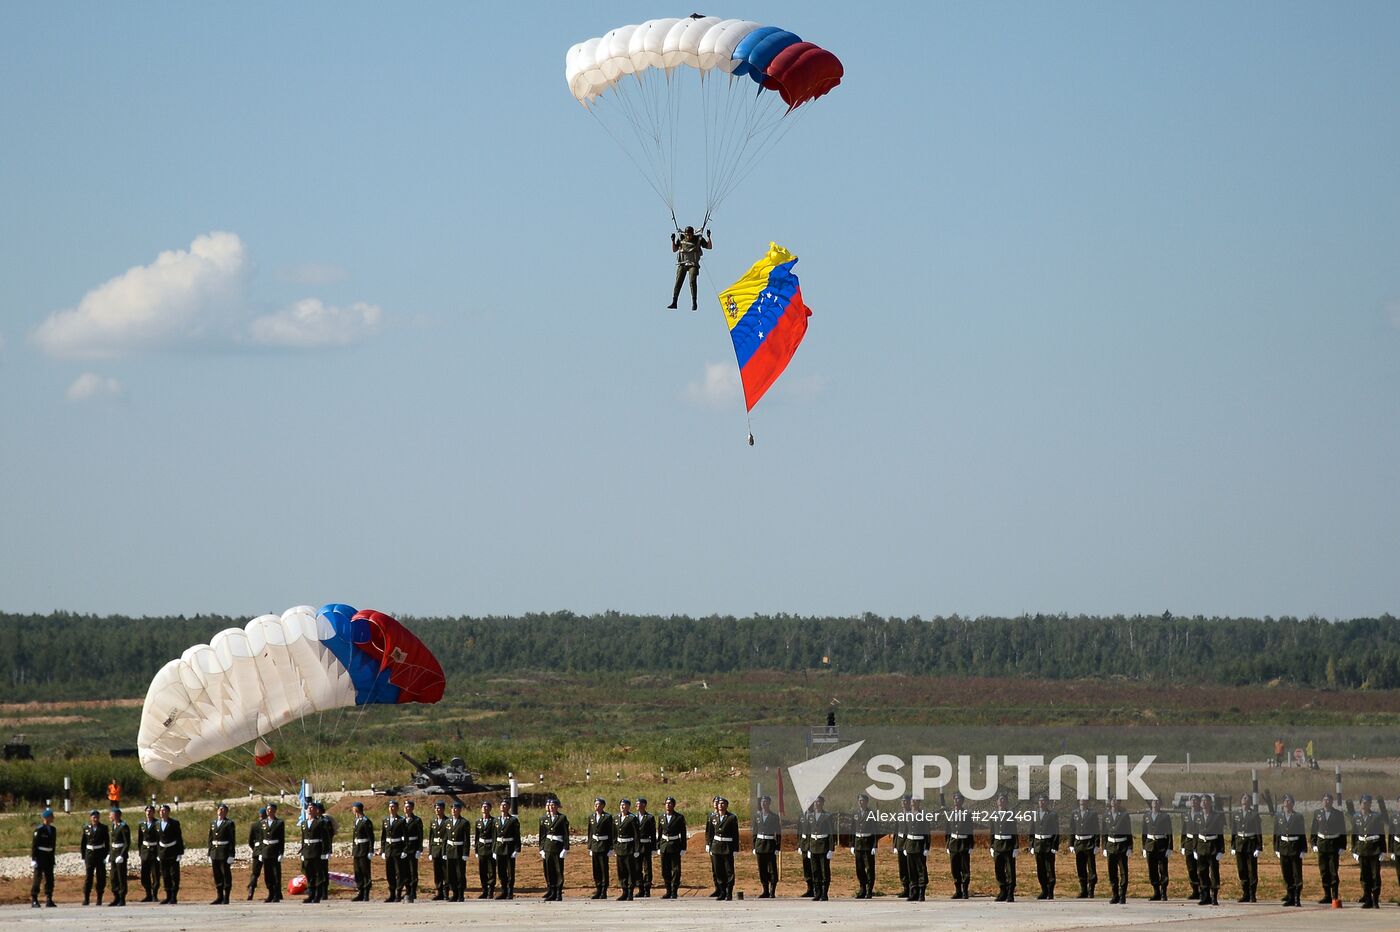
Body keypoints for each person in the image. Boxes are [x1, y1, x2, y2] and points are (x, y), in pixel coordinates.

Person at [1351, 793, 1386, 908]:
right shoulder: (1356, 817)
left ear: (1370, 804)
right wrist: (1354, 850)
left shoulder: (1376, 816)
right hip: (1362, 849)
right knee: (1364, 876)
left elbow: (1381, 834)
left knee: (1375, 875)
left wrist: (1383, 851)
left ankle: (1375, 900)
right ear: (1360, 804)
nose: (1365, 805)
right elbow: (1354, 835)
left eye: (1367, 803)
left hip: (1374, 849)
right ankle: (1368, 899)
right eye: (1363, 802)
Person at [667, 226, 713, 310]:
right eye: (687, 234)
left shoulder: (698, 239)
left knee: (692, 281)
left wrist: (709, 237)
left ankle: (694, 302)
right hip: (683, 264)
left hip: (693, 264)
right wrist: (673, 241)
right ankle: (674, 302)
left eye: (690, 235)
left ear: (692, 234)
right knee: (678, 281)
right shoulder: (681, 238)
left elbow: (709, 247)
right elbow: (674, 250)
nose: (688, 236)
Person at [1312, 792, 1346, 904]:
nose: (1326, 802)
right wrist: (1314, 844)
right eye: (1325, 800)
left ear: (1332, 802)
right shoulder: (1317, 813)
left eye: (1329, 800)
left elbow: (1342, 831)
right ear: (1322, 801)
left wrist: (1342, 846)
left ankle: (1334, 895)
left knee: (1333, 871)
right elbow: (1314, 829)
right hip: (1322, 844)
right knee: (1323, 871)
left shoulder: (1338, 814)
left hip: (1333, 845)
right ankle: (1326, 895)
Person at [1273, 793, 1306, 907]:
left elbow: (1302, 834)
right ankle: (1290, 896)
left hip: (1295, 847)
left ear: (1293, 804)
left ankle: (1297, 898)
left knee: (1297, 874)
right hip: (1283, 847)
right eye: (1286, 801)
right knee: (1286, 874)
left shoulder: (1298, 816)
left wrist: (1303, 849)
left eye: (1289, 801)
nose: (1287, 803)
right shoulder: (1279, 816)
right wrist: (1276, 848)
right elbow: (1276, 833)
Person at [990, 793, 1021, 903]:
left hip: (1008, 845)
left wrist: (1016, 847)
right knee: (999, 870)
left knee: (1010, 871)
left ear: (1006, 802)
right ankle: (1002, 891)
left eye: (1003, 799)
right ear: (997, 802)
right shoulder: (994, 815)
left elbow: (1015, 832)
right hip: (998, 845)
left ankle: (1010, 893)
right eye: (999, 799)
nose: (1001, 801)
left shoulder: (1010, 815)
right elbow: (992, 832)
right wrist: (991, 846)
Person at [1231, 792, 1262, 902]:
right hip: (1239, 844)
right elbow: (1234, 831)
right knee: (1242, 870)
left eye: (1247, 798)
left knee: (1252, 870)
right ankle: (1245, 893)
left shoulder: (1254, 814)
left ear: (1249, 802)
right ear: (1241, 801)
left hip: (1250, 844)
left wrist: (1259, 847)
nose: (1245, 800)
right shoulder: (1237, 814)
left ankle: (1252, 894)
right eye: (1243, 798)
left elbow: (1258, 831)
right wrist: (1233, 846)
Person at [1194, 794, 1225, 905]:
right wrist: (1194, 848)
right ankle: (1205, 896)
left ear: (1210, 803)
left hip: (1213, 846)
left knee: (1214, 872)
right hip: (1201, 845)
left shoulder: (1217, 816)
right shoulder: (1198, 816)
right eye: (1202, 800)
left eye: (1206, 800)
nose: (1204, 802)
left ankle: (1214, 896)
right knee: (1202, 872)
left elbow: (1220, 834)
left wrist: (1221, 850)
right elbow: (1195, 833)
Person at [1141, 796, 1172, 901]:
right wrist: (1144, 847)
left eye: (1158, 801)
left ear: (1160, 804)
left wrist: (1169, 847)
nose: (1155, 803)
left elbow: (1169, 833)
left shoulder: (1165, 816)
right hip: (1150, 845)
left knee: (1163, 869)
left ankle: (1163, 891)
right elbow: (1144, 833)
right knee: (1152, 869)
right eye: (1154, 801)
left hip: (1161, 845)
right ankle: (1156, 892)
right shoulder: (1146, 816)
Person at [301, 800, 333, 903]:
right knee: (309, 874)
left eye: (312, 808)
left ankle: (318, 895)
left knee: (318, 874)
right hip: (307, 851)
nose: (310, 810)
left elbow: (325, 838)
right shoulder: (304, 823)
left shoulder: (321, 822)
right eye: (308, 808)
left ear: (316, 810)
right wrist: (302, 852)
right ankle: (311, 894)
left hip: (317, 850)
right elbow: (303, 838)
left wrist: (326, 852)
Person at [709, 796, 740, 900]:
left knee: (729, 871)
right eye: (719, 804)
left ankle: (729, 892)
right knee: (718, 871)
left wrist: (735, 848)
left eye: (723, 804)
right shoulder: (713, 817)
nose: (720, 806)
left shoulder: (731, 817)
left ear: (727, 806)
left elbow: (735, 834)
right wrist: (710, 846)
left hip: (727, 847)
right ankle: (722, 892)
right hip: (716, 846)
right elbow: (710, 833)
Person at [1102, 797, 1132, 905]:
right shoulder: (1106, 816)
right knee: (1112, 872)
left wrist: (1129, 847)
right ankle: (1115, 895)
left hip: (1122, 845)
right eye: (1112, 800)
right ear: (1110, 803)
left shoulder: (1124, 815)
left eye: (1116, 801)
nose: (1114, 802)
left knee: (1123, 872)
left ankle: (1122, 895)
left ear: (1119, 803)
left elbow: (1129, 831)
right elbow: (1104, 833)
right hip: (1110, 846)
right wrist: (1104, 847)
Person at [539, 797, 569, 901]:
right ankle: (551, 891)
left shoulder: (562, 818)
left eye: (553, 806)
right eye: (550, 806)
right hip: (548, 846)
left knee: (558, 870)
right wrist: (541, 848)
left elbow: (566, 834)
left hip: (558, 847)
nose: (551, 808)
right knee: (549, 870)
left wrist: (565, 848)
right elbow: (542, 835)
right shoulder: (544, 819)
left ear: (557, 807)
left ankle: (558, 892)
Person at [1031, 794, 1060, 900]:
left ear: (1047, 802)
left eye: (1043, 801)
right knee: (1040, 869)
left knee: (1050, 869)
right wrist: (1032, 845)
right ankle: (1044, 890)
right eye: (1040, 801)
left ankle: (1050, 891)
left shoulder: (1052, 815)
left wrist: (1054, 846)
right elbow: (1032, 830)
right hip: (1038, 844)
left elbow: (1056, 831)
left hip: (1048, 845)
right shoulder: (1035, 814)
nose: (1041, 803)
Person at [656, 796, 687, 899]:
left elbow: (683, 833)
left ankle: (674, 891)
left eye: (670, 803)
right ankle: (668, 890)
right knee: (665, 870)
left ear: (674, 805)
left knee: (676, 870)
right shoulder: (661, 817)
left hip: (675, 845)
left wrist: (683, 847)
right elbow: (659, 832)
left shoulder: (679, 817)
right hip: (664, 845)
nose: (668, 805)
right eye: (666, 803)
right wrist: (658, 846)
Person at [851, 792, 880, 899]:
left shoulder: (871, 813)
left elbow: (875, 830)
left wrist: (874, 845)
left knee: (869, 868)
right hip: (858, 843)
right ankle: (862, 888)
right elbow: (852, 829)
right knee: (859, 868)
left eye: (862, 800)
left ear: (867, 802)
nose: (860, 802)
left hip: (868, 843)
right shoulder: (855, 813)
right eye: (859, 800)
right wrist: (852, 844)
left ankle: (869, 890)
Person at [945, 791, 973, 899]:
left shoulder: (967, 814)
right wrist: (947, 844)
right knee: (954, 868)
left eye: (959, 799)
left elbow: (970, 831)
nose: (957, 801)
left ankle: (965, 890)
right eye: (955, 799)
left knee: (965, 868)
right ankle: (958, 890)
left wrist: (970, 845)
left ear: (962, 801)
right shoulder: (950, 814)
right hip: (953, 843)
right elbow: (947, 832)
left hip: (963, 843)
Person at [1069, 795, 1099, 899]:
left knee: (1091, 867)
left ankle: (1091, 889)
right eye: (1081, 800)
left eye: (1085, 800)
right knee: (1080, 868)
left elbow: (1096, 829)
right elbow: (1072, 829)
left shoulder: (1092, 814)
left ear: (1088, 802)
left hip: (1089, 843)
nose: (1083, 802)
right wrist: (1071, 844)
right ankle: (1083, 890)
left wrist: (1096, 844)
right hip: (1078, 843)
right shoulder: (1075, 813)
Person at [586, 796, 616, 899]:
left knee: (604, 869)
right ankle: (598, 889)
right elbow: (590, 832)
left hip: (604, 846)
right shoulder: (591, 817)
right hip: (595, 845)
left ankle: (604, 890)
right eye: (595, 804)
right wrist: (589, 846)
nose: (597, 806)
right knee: (596, 869)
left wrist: (611, 848)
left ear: (603, 806)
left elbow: (612, 833)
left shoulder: (607, 817)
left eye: (599, 804)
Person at [902, 796, 930, 901]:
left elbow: (927, 833)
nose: (913, 802)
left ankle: (921, 893)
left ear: (919, 802)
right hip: (910, 845)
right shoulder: (908, 815)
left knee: (921, 870)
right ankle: (913, 892)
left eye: (915, 800)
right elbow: (905, 831)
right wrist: (904, 846)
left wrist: (926, 847)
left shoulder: (923, 815)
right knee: (911, 870)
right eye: (912, 800)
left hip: (919, 845)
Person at [753, 794, 781, 898]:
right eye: (762, 802)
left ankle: (772, 890)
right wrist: (754, 846)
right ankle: (765, 890)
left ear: (769, 803)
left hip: (770, 845)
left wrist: (777, 847)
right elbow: (755, 832)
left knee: (772, 869)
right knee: (762, 869)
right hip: (760, 844)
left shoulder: (774, 816)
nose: (764, 804)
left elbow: (778, 833)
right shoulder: (757, 816)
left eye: (766, 802)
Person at [207, 802, 235, 905]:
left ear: (226, 812)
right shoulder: (213, 823)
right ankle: (219, 896)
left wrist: (231, 854)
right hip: (215, 851)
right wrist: (209, 853)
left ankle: (226, 897)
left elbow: (232, 840)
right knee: (217, 874)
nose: (221, 811)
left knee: (225, 874)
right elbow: (210, 839)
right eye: (219, 809)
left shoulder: (229, 823)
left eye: (223, 810)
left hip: (224, 852)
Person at [81, 808, 110, 906]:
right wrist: (83, 856)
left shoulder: (103, 828)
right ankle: (86, 898)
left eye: (97, 817)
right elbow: (83, 843)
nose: (95, 819)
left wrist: (107, 855)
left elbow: (107, 843)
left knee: (100, 877)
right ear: (90, 818)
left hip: (100, 853)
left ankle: (99, 898)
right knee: (88, 877)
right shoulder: (86, 828)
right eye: (93, 817)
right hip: (89, 854)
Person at [156, 803, 184, 904]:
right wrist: (158, 853)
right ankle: (167, 895)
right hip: (163, 852)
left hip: (172, 851)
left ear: (168, 812)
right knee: (165, 874)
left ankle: (173, 896)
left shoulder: (174, 823)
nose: (162, 813)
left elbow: (179, 838)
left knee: (174, 874)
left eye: (164, 811)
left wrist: (180, 853)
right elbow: (157, 839)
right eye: (160, 811)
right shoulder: (157, 824)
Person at [493, 798, 521, 899]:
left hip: (509, 847)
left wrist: (517, 849)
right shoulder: (496, 820)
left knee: (510, 871)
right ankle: (503, 890)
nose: (502, 807)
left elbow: (517, 836)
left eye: (505, 805)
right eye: (501, 805)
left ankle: (510, 891)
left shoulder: (513, 820)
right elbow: (494, 836)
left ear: (509, 807)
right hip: (499, 847)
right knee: (501, 871)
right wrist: (494, 850)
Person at [30, 807, 57, 908]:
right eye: (51, 816)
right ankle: (34, 898)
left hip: (49, 856)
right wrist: (33, 859)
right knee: (38, 878)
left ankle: (49, 898)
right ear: (47, 818)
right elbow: (34, 845)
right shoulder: (39, 829)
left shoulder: (53, 830)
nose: (53, 818)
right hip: (40, 856)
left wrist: (53, 858)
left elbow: (53, 845)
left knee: (50, 878)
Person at [615, 798, 640, 900]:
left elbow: (636, 835)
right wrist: (614, 847)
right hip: (620, 847)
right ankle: (624, 891)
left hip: (629, 847)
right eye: (621, 804)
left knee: (630, 871)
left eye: (624, 805)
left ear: (628, 807)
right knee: (621, 871)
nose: (622, 806)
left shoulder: (632, 818)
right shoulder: (616, 818)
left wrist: (636, 849)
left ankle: (630, 892)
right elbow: (614, 834)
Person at [350, 801, 375, 902]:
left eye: (353, 808)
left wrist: (370, 850)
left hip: (364, 849)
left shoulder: (366, 821)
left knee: (365, 871)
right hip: (357, 849)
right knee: (358, 871)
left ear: (357, 809)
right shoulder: (355, 820)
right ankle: (360, 891)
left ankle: (366, 893)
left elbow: (371, 837)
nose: (352, 810)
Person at [137, 805, 161, 903]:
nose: (148, 813)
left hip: (154, 850)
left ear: (153, 813)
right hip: (145, 852)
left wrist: (159, 852)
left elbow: (160, 838)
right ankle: (148, 894)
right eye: (147, 811)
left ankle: (154, 894)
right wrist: (140, 852)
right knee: (144, 875)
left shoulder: (157, 823)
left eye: (150, 811)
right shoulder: (142, 824)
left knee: (155, 874)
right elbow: (140, 839)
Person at [108, 807, 131, 907]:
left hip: (120, 854)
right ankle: (116, 896)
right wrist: (109, 853)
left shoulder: (123, 826)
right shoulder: (113, 825)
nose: (109, 816)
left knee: (121, 877)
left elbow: (127, 843)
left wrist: (122, 855)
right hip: (114, 853)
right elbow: (112, 841)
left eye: (111, 814)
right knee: (113, 877)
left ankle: (122, 898)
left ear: (116, 815)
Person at [474, 800, 498, 899]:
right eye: (483, 807)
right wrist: (476, 850)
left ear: (490, 809)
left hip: (490, 847)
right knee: (482, 871)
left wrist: (494, 849)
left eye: (487, 807)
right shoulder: (478, 822)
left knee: (491, 870)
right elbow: (476, 836)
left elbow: (495, 836)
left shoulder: (493, 821)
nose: (485, 808)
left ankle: (490, 891)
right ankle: (484, 890)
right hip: (481, 848)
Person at [262, 803, 285, 903]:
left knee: (276, 874)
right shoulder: (262, 823)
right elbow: (260, 838)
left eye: (271, 809)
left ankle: (276, 894)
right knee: (267, 874)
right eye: (267, 809)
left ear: (275, 811)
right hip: (265, 851)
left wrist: (281, 853)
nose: (269, 811)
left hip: (275, 850)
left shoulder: (279, 823)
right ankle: (270, 893)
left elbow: (281, 839)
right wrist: (259, 852)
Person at [446, 800, 469, 901]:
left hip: (459, 850)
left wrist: (465, 853)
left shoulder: (464, 822)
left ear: (460, 810)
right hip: (450, 850)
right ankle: (454, 893)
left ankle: (460, 894)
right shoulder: (447, 822)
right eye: (452, 808)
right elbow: (445, 839)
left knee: (460, 873)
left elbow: (466, 839)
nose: (453, 810)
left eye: (455, 808)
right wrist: (444, 852)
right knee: (451, 873)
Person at [1181, 794, 1202, 900]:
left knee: (1201, 868)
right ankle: (1195, 890)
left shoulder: (1203, 814)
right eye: (1192, 801)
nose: (1193, 802)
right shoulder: (1186, 815)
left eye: (1195, 800)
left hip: (1200, 842)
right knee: (1191, 868)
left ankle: (1203, 889)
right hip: (1189, 842)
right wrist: (1183, 845)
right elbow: (1184, 830)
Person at [402, 799, 423, 902]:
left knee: (412, 871)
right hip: (404, 849)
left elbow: (420, 835)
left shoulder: (417, 820)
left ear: (412, 808)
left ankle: (413, 892)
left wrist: (419, 849)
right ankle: (407, 890)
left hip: (413, 848)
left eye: (409, 807)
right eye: (405, 807)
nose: (407, 809)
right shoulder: (401, 820)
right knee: (405, 871)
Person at [635, 797, 657, 897]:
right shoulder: (633, 817)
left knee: (647, 868)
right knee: (637, 868)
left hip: (646, 845)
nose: (636, 805)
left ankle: (647, 889)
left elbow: (653, 833)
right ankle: (640, 889)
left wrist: (654, 847)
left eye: (638, 803)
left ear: (644, 805)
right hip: (637, 846)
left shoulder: (649, 817)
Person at [428, 800, 448, 900]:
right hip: (436, 849)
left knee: (446, 871)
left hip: (444, 849)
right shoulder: (433, 821)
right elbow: (431, 837)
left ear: (443, 809)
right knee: (437, 872)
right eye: (436, 808)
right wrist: (430, 851)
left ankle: (446, 892)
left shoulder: (447, 821)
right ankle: (439, 891)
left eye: (439, 808)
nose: (437, 810)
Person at [246, 806, 266, 900]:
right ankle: (275, 892)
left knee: (255, 873)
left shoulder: (254, 825)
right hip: (266, 850)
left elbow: (250, 841)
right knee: (270, 872)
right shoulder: (267, 824)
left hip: (257, 851)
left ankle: (251, 890)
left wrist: (255, 849)